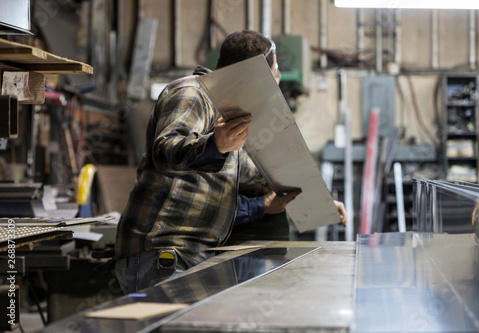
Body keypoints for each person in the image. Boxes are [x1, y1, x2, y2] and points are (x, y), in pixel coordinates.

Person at [115, 30, 347, 294]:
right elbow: (165, 150)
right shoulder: (193, 92)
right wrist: (215, 145)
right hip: (162, 252)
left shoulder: (232, 121)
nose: (278, 80)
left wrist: (316, 201)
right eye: (275, 72)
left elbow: (263, 176)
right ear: (257, 74)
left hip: (194, 256)